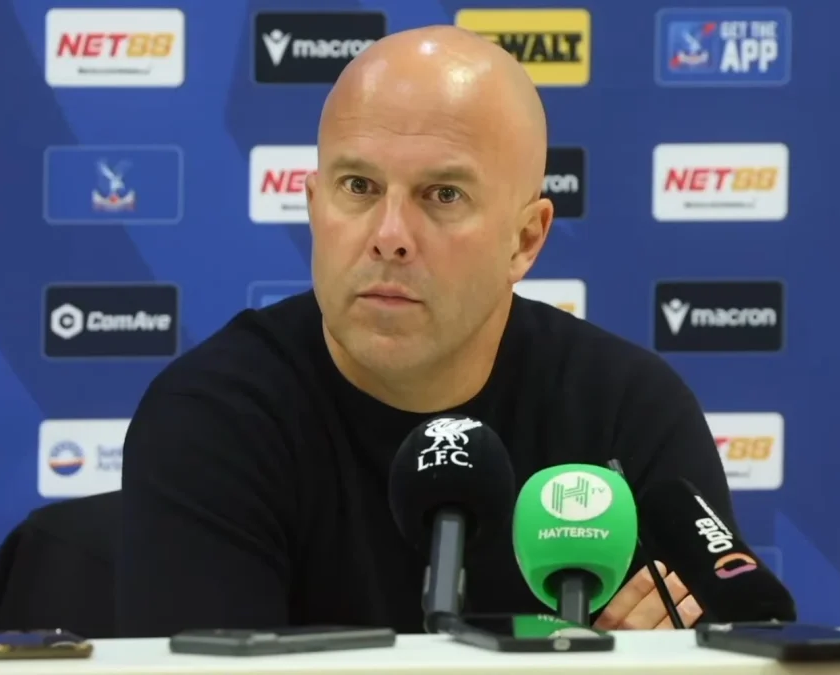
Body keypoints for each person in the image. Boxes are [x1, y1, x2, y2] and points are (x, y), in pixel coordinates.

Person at [115, 25, 740, 637]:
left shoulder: (629, 415)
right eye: (359, 187)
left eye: (443, 194)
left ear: (525, 240)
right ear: (313, 205)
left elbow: (731, 643)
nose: (389, 236)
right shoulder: (212, 418)